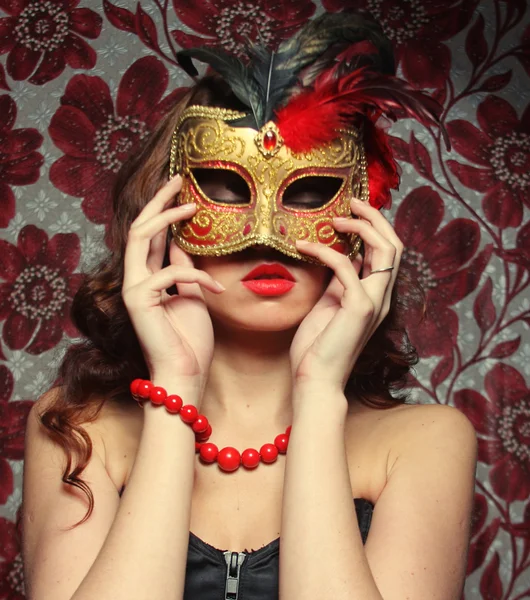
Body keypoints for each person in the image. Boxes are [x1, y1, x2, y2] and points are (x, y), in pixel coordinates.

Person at [21, 11, 477, 600]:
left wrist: (316, 394)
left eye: (310, 192)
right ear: (164, 212)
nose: (265, 235)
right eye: (227, 187)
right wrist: (176, 385)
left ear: (363, 222)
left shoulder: (424, 442)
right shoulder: (77, 428)